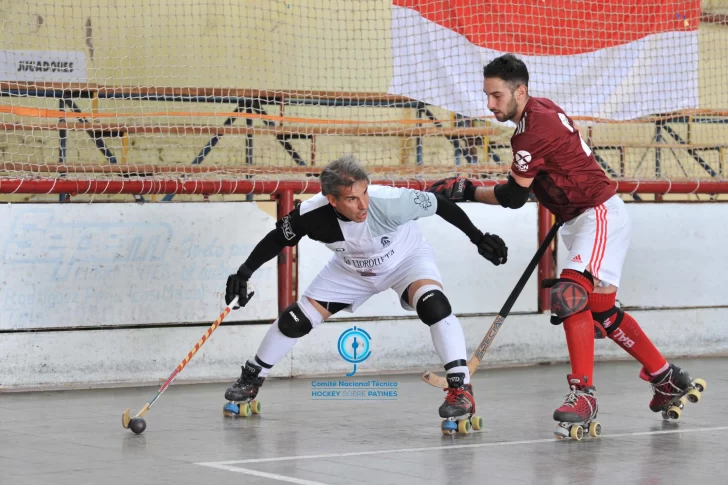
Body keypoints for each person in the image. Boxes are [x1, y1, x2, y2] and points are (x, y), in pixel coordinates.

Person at [427, 54, 704, 437]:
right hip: (579, 218)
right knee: (601, 310)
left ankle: (583, 393)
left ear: (519, 90)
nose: (490, 104)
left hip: (597, 214)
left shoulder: (530, 130)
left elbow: (512, 197)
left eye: (496, 96)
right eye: (487, 96)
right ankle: (664, 377)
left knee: (570, 294)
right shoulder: (538, 112)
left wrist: (468, 189)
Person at [223, 154, 508, 423]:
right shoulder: (311, 214)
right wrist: (244, 272)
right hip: (352, 271)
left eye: (364, 193)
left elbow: (439, 203)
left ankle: (461, 389)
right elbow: (277, 238)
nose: (363, 205)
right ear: (331, 199)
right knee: (293, 321)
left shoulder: (391, 201)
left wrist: (478, 238)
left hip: (405, 259)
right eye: (351, 199)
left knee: (434, 305)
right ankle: (251, 377)